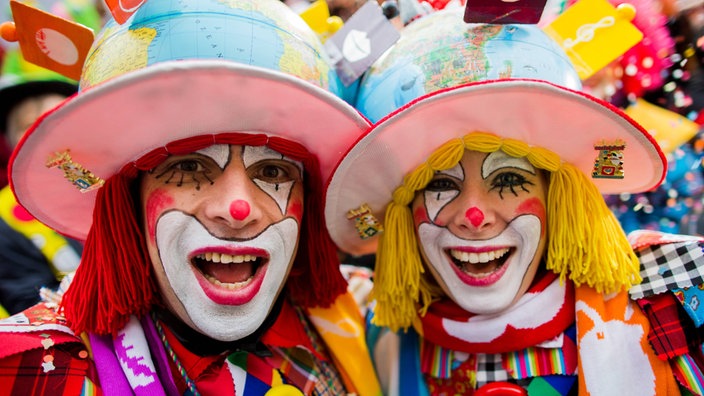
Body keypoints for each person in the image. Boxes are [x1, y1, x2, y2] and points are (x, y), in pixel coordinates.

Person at [0, 0, 380, 395]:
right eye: (190, 169)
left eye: (272, 172)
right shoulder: (33, 370)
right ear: (128, 201)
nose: (238, 210)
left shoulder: (356, 317)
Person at [325, 8, 695, 395]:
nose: (474, 216)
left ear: (558, 197)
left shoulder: (672, 293)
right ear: (403, 216)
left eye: (508, 179)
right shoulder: (375, 335)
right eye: (438, 184)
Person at [0, 50, 82, 317]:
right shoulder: (4, 218)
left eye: (56, 121)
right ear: (12, 141)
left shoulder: (118, 185)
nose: (43, 135)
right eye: (28, 125)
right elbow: (25, 300)